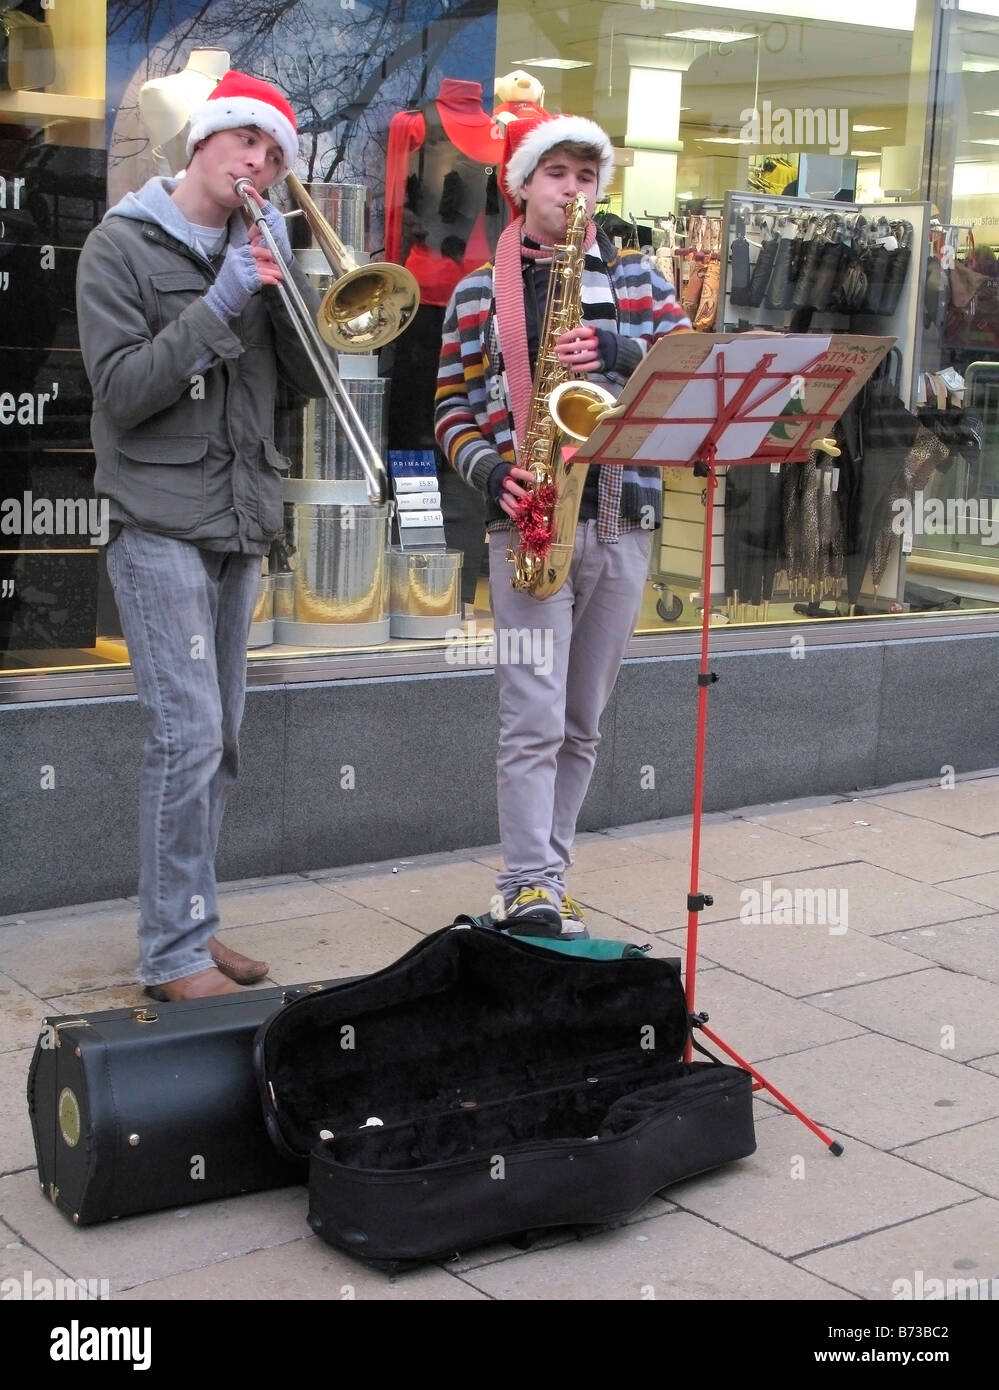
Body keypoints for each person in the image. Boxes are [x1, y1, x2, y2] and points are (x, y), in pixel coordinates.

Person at [76, 71, 323, 1000]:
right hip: (155, 520)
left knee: (221, 741)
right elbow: (125, 391)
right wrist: (219, 303)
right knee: (186, 736)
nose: (258, 161)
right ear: (203, 142)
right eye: (244, 141)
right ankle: (172, 954)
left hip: (238, 517)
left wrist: (284, 286)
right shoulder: (121, 246)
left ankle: (192, 921)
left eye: (272, 152)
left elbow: (303, 383)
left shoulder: (256, 251)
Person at [435, 112, 690, 939]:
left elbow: (683, 380)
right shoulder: (481, 289)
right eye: (557, 173)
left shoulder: (643, 281)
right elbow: (449, 410)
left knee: (582, 719)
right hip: (530, 521)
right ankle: (526, 883)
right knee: (531, 716)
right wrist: (490, 472)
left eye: (587, 175)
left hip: (624, 516)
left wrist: (614, 353)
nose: (573, 190)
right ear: (522, 184)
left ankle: (552, 871)